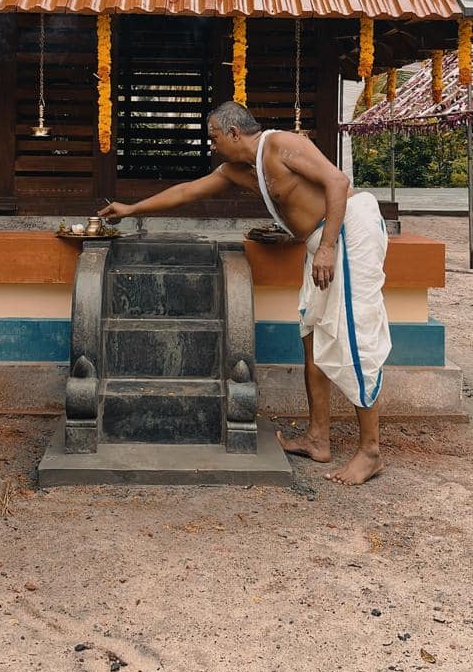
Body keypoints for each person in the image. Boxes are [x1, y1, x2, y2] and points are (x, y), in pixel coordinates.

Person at [100, 100, 391, 486]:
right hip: (320, 241)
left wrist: (327, 247)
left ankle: (370, 452)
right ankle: (318, 438)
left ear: (234, 133)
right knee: (313, 336)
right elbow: (188, 191)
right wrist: (131, 209)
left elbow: (337, 182)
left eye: (214, 138)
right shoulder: (237, 170)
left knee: (355, 338)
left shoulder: (281, 144)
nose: (212, 146)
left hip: (348, 234)